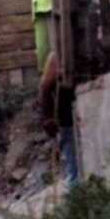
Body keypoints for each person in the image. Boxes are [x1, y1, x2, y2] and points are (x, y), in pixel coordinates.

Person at [36, 52, 79, 186]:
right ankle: (75, 192)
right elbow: (45, 86)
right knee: (73, 164)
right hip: (67, 120)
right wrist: (47, 118)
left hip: (86, 116)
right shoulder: (58, 56)